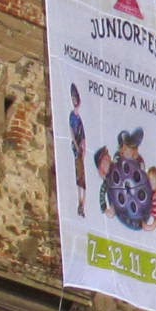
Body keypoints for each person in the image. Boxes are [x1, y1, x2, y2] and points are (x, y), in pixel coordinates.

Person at [66, 85, 88, 214]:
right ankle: (80, 203)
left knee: (82, 176)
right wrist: (76, 145)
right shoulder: (72, 116)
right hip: (76, 148)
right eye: (73, 98)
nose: (75, 101)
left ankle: (82, 204)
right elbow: (71, 131)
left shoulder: (79, 118)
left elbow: (83, 135)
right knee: (79, 175)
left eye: (76, 98)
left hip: (80, 148)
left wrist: (84, 148)